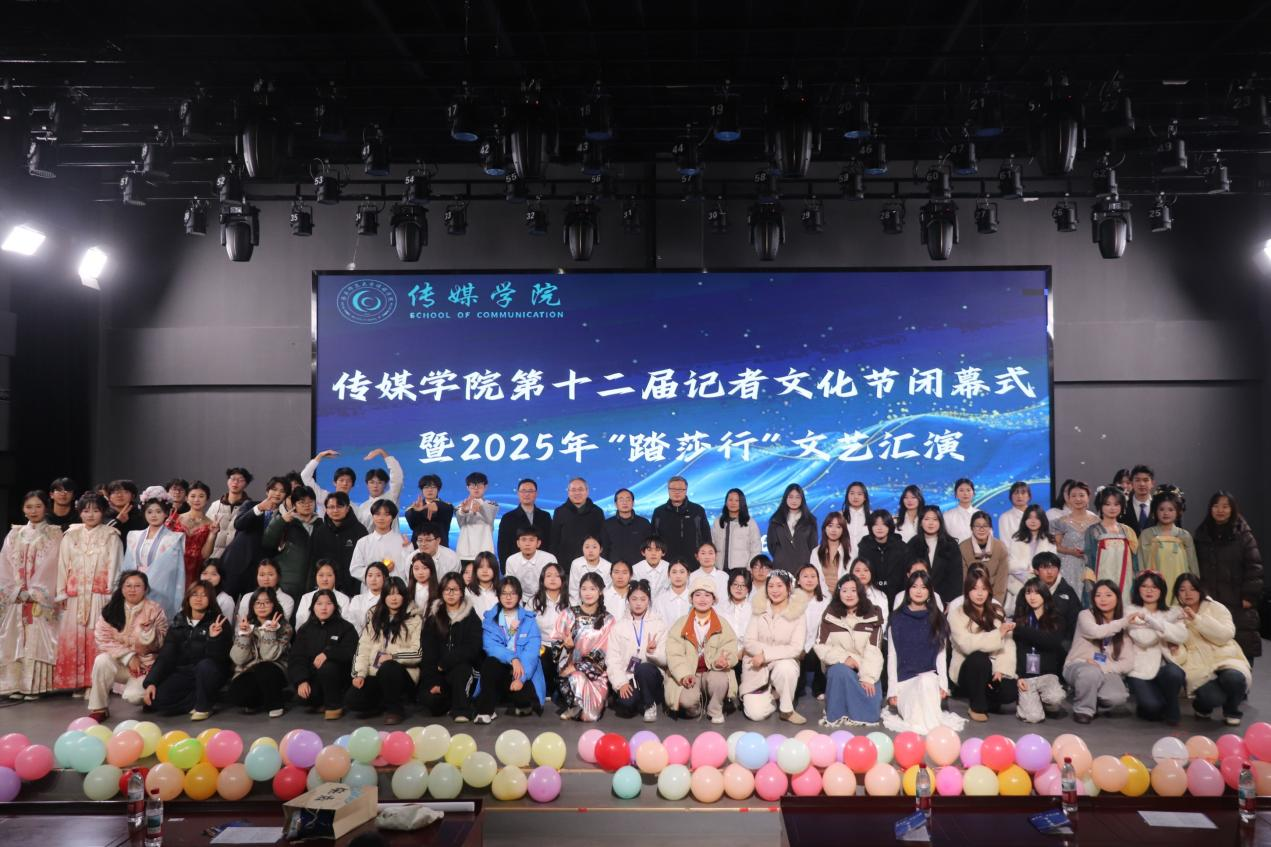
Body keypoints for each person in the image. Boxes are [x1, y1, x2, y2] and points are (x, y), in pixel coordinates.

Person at [54, 493, 123, 694]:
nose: (90, 515)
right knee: (75, 637)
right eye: (85, 510)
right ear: (80, 513)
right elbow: (63, 565)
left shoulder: (111, 536)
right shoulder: (70, 535)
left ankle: (97, 683)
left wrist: (112, 595)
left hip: (99, 594)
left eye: (96, 510)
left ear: (103, 512)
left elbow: (116, 566)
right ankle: (77, 681)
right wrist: (61, 592)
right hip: (75, 595)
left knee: (97, 636)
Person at [884, 571, 964, 734]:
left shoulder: (938, 619)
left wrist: (943, 684)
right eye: (914, 586)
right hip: (905, 684)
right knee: (917, 715)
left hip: (930, 683)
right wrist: (892, 690)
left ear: (930, 591)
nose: (919, 591)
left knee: (926, 679)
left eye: (923, 587)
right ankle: (933, 734)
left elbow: (941, 656)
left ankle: (933, 735)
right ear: (908, 590)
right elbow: (892, 656)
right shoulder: (897, 618)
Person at [141, 580, 231, 720]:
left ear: (211, 599)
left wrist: (213, 638)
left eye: (204, 595)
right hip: (186, 672)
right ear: (188, 598)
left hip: (211, 672)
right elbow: (166, 656)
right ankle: (202, 699)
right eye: (194, 594)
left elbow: (221, 657)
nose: (198, 598)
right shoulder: (179, 621)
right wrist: (151, 682)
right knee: (158, 699)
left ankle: (204, 706)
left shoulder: (219, 622)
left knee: (205, 666)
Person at [86, 570, 168, 720]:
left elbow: (162, 643)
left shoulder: (155, 610)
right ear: (122, 588)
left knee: (134, 696)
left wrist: (150, 633)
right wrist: (128, 656)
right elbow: (102, 638)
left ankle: (149, 699)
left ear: (145, 589)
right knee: (102, 661)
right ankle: (99, 708)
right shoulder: (111, 609)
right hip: (121, 663)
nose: (132, 590)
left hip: (145, 666)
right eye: (128, 586)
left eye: (137, 586)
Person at [1193, 491, 1263, 662]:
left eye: (1225, 506)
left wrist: (1249, 596)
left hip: (1237, 599)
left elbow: (1254, 567)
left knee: (1242, 646)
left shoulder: (1244, 535)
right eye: (1216, 506)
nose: (1220, 510)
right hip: (1210, 599)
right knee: (1213, 648)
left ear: (1232, 509)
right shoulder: (1202, 534)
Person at [1174, 573, 1251, 726]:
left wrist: (1197, 619)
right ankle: (1201, 706)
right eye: (1182, 590)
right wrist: (1175, 650)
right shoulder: (1174, 614)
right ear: (1177, 593)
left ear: (1200, 590)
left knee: (1234, 678)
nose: (1188, 593)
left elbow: (1225, 635)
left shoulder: (1216, 607)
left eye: (1192, 589)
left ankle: (1232, 710)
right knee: (1211, 698)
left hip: (1225, 657)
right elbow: (1177, 645)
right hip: (1198, 664)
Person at [346, 577, 422, 724]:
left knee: (389, 668)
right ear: (384, 596)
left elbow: (417, 652)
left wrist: (393, 656)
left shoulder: (415, 618)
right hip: (375, 672)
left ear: (404, 596)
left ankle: (395, 710)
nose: (393, 598)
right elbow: (363, 648)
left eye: (397, 594)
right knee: (353, 700)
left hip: (403, 673)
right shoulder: (374, 617)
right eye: (389, 594)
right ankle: (381, 703)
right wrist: (359, 674)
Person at [664, 575, 737, 724]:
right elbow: (674, 654)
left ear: (714, 599)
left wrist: (723, 661)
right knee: (687, 701)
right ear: (691, 599)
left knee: (720, 680)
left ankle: (715, 709)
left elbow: (729, 646)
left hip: (713, 671)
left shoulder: (722, 623)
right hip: (690, 673)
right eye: (697, 595)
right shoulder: (680, 624)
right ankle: (697, 708)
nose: (702, 599)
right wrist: (684, 675)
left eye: (707, 595)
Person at [1063, 579, 1138, 725]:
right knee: (1090, 672)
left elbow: (1128, 662)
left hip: (1105, 669)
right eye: (1098, 595)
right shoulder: (1086, 615)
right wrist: (1123, 622)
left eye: (1108, 595)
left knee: (1118, 697)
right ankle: (1083, 710)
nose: (1103, 599)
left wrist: (1103, 666)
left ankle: (1087, 694)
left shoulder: (1123, 624)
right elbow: (1096, 632)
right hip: (1078, 664)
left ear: (1117, 597)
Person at [815, 574, 884, 728]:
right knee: (839, 671)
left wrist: (868, 677)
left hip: (865, 667)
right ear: (838, 593)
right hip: (839, 664)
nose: (849, 594)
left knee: (871, 712)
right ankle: (838, 714)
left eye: (853, 590)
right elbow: (820, 646)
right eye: (844, 590)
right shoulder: (830, 615)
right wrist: (844, 658)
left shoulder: (873, 615)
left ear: (860, 592)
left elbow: (874, 650)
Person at [949, 567, 1017, 722]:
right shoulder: (957, 614)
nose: (979, 594)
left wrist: (1000, 669)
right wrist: (997, 634)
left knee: (1010, 691)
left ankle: (987, 699)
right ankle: (977, 706)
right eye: (975, 589)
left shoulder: (997, 612)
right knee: (979, 658)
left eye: (984, 589)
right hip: (968, 670)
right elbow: (966, 645)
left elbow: (1008, 644)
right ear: (967, 591)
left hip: (992, 668)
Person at [475, 576, 545, 723]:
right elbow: (491, 646)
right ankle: (485, 711)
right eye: (504, 593)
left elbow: (531, 653)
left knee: (523, 700)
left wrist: (520, 679)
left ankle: (521, 703)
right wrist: (512, 658)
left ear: (519, 596)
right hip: (501, 666)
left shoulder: (529, 620)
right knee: (490, 663)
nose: (508, 597)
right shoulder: (490, 619)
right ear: (498, 595)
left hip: (523, 670)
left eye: (512, 593)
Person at [741, 568, 807, 724]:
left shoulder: (798, 613)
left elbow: (796, 648)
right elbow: (749, 641)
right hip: (756, 665)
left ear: (788, 588)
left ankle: (787, 710)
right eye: (770, 586)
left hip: (781, 662)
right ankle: (774, 696)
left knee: (786, 668)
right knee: (756, 714)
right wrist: (764, 655)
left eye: (779, 586)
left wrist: (766, 655)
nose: (775, 590)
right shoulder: (758, 609)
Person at [419, 573, 483, 721]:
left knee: (462, 670)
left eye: (455, 589)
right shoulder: (433, 619)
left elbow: (473, 648)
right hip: (438, 673)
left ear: (462, 592)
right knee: (431, 702)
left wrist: (446, 662)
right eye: (447, 589)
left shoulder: (471, 617)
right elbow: (428, 653)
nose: (451, 593)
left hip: (464, 669)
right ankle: (451, 699)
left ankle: (462, 710)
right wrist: (434, 681)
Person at [1125, 571, 1187, 725]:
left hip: (1165, 665)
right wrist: (1168, 624)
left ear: (1162, 590)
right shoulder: (1130, 610)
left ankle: (1172, 704)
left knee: (1174, 673)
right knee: (1152, 708)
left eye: (1154, 587)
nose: (1149, 590)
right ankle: (1151, 703)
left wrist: (1150, 623)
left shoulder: (1172, 611)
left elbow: (1181, 636)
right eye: (1144, 586)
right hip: (1140, 668)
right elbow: (1144, 639)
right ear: (1138, 589)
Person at [289, 588, 358, 719]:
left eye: (328, 603)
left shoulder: (346, 627)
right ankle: (321, 702)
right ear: (313, 607)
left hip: (340, 677)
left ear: (335, 606)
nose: (324, 608)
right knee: (302, 699)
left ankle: (334, 706)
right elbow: (297, 657)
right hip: (313, 676)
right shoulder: (305, 629)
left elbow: (351, 651)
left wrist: (328, 654)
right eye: (319, 604)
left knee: (328, 666)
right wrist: (302, 680)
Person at [607, 578, 667, 721]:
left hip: (651, 677)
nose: (638, 603)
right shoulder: (618, 627)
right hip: (628, 677)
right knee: (626, 704)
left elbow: (665, 659)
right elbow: (612, 659)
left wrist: (652, 653)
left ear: (649, 601)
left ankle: (649, 704)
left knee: (643, 668)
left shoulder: (659, 624)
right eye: (634, 599)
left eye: (643, 599)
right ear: (628, 600)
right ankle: (639, 701)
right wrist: (621, 683)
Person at [558, 572, 615, 721]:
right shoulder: (568, 614)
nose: (588, 593)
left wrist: (580, 666)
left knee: (589, 717)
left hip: (596, 672)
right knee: (575, 677)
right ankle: (573, 706)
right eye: (584, 589)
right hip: (571, 668)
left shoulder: (608, 619)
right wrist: (567, 647)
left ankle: (592, 703)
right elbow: (556, 643)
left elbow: (606, 650)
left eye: (592, 589)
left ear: (600, 591)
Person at [227, 587, 292, 717]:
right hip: (249, 669)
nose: (262, 606)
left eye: (267, 602)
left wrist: (270, 632)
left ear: (274, 604)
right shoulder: (246, 624)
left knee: (264, 668)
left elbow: (269, 656)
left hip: (274, 669)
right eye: (257, 602)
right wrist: (245, 635)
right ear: (252, 606)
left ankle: (275, 704)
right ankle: (258, 701)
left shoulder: (284, 627)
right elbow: (238, 659)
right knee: (237, 694)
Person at [1012, 576, 1069, 723]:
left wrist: (1022, 630)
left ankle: (1046, 704)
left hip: (1047, 674)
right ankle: (1026, 702)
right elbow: (1016, 650)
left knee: (1055, 697)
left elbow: (1051, 642)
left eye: (1036, 592)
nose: (1032, 597)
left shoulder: (1056, 618)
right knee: (1034, 717)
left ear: (1044, 594)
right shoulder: (1020, 618)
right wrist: (1019, 676)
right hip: (1027, 675)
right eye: (1028, 593)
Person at [121, 496, 186, 620]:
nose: (153, 515)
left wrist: (148, 583)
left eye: (158, 511)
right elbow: (127, 565)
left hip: (160, 587)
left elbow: (174, 571)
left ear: (166, 513)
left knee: (154, 620)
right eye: (149, 512)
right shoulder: (134, 536)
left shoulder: (173, 539)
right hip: (135, 586)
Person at [221, 477, 287, 597]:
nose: (277, 493)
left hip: (258, 571)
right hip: (235, 563)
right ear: (267, 491)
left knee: (251, 604)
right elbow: (239, 524)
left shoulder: (284, 517)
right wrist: (259, 508)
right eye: (274, 489)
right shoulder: (250, 505)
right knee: (226, 602)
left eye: (282, 491)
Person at [261, 485, 318, 602]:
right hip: (288, 582)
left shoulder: (321, 525)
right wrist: (281, 521)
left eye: (310, 502)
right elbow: (268, 543)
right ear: (294, 504)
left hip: (313, 583)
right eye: (302, 502)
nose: (307, 505)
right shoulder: (286, 523)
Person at [1138, 491, 1198, 602]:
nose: (1166, 513)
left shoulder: (1184, 535)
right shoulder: (1147, 535)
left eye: (1171, 510)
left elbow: (1192, 564)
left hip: (1180, 582)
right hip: (1155, 584)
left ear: (1178, 512)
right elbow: (1142, 562)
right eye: (1161, 509)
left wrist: (1195, 585)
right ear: (1155, 511)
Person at [1084, 487, 1139, 607]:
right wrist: (1091, 586)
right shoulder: (1093, 531)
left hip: (1126, 580)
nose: (1112, 508)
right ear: (1100, 506)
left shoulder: (1128, 531)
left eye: (1116, 504)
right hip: (1102, 578)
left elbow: (1135, 561)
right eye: (1107, 504)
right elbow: (1089, 561)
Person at [309, 491, 369, 598]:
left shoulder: (360, 531)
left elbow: (365, 561)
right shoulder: (319, 532)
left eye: (339, 506)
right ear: (326, 509)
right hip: (326, 589)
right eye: (331, 507)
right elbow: (313, 561)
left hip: (354, 590)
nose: (335, 510)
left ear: (347, 508)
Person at [530, 563, 570, 706]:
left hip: (565, 645)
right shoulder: (534, 601)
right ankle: (545, 690)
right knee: (542, 657)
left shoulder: (571, 601)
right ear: (542, 579)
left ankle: (562, 691)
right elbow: (528, 626)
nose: (553, 579)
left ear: (563, 579)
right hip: (542, 644)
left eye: (557, 576)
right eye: (548, 576)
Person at [350, 499, 412, 589]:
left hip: (396, 591)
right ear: (372, 516)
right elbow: (355, 569)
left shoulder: (403, 541)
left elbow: (410, 569)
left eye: (386, 514)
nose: (381, 518)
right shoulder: (363, 542)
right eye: (377, 514)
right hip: (370, 591)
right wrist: (379, 572)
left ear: (393, 517)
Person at [651, 476, 711, 571]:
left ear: (686, 490)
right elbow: (653, 539)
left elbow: (706, 538)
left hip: (694, 563)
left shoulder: (697, 511)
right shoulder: (659, 512)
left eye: (680, 489)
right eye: (673, 489)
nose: (677, 492)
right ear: (668, 490)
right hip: (666, 563)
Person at [907, 505, 962, 605]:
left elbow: (956, 578)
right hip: (917, 600)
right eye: (927, 519)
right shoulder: (912, 544)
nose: (931, 523)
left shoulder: (951, 545)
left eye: (935, 519)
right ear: (920, 522)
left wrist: (951, 602)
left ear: (940, 522)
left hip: (944, 600)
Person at [1006, 506, 1056, 614]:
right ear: (1025, 520)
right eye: (1029, 517)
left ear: (1042, 520)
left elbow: (1052, 563)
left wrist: (1038, 576)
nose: (1033, 521)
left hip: (1043, 583)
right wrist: (1027, 575)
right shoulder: (1016, 539)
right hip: (1018, 583)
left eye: (1037, 518)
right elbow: (1011, 563)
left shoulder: (1049, 539)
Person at [1051, 481, 1097, 598]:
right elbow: (1056, 546)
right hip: (1068, 566)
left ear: (1088, 497)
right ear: (1068, 498)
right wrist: (1071, 551)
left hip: (1091, 565)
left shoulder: (1097, 521)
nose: (1078, 499)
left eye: (1081, 495)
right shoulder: (1060, 522)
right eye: (1074, 496)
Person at [170, 481, 218, 586]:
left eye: (201, 496)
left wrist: (212, 534)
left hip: (195, 570)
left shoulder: (211, 524)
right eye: (193, 496)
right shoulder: (175, 519)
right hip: (173, 567)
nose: (196, 500)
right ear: (186, 498)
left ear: (207, 499)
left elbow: (205, 555)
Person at [856, 510, 909, 603]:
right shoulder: (864, 547)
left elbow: (905, 574)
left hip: (897, 594)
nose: (879, 528)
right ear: (870, 527)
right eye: (875, 524)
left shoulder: (901, 547)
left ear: (890, 526)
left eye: (884, 524)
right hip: (872, 594)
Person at [550, 477, 605, 568]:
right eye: (573, 490)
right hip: (565, 566)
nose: (577, 493)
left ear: (587, 491)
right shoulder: (560, 512)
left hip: (592, 565)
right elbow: (554, 541)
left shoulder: (597, 512)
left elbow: (603, 540)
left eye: (580, 489)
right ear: (568, 492)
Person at [498, 479, 553, 564]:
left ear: (536, 494)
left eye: (530, 491)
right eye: (523, 491)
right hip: (517, 565)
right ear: (518, 493)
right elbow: (503, 547)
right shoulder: (508, 518)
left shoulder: (545, 516)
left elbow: (550, 543)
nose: (527, 494)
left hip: (541, 564)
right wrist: (506, 568)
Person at [959, 511, 1009, 605]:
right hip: (970, 597)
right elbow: (964, 580)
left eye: (985, 526)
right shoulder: (963, 547)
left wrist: (995, 604)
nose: (981, 529)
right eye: (977, 526)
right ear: (971, 528)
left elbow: (1001, 580)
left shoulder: (1000, 547)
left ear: (990, 528)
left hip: (994, 596)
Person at [766, 484, 818, 574]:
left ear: (802, 499)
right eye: (791, 497)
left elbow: (813, 546)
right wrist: (781, 556)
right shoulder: (776, 520)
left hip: (803, 567)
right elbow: (771, 545)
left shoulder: (810, 521)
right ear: (785, 498)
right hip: (781, 567)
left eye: (797, 497)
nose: (794, 501)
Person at [795, 564, 829, 700]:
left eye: (813, 576)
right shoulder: (791, 600)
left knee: (818, 652)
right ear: (798, 580)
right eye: (805, 576)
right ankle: (798, 688)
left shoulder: (825, 601)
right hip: (796, 642)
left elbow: (826, 627)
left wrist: (810, 645)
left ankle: (819, 687)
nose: (809, 580)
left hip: (817, 641)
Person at [1034, 552, 1080, 647]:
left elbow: (1076, 621)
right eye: (1045, 567)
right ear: (1036, 571)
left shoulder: (1068, 591)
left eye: (1053, 567)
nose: (1050, 572)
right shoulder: (1029, 591)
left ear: (1058, 570)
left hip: (1062, 644)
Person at [206, 468, 253, 560]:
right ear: (228, 481)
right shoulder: (215, 505)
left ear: (246, 484)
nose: (235, 482)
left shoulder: (250, 508)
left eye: (240, 480)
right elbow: (205, 530)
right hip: (212, 557)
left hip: (236, 558)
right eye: (233, 478)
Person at [712, 488, 762, 573]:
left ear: (742, 502)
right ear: (726, 502)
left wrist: (749, 569)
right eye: (730, 500)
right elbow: (712, 545)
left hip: (742, 571)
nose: (733, 503)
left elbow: (756, 549)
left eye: (737, 500)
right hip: (720, 570)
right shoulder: (718, 521)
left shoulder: (750, 522)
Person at [602, 488, 653, 569]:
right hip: (615, 570)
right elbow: (604, 550)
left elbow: (649, 548)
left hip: (639, 569)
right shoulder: (607, 524)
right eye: (621, 499)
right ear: (615, 504)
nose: (624, 502)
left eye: (628, 499)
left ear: (633, 503)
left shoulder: (644, 523)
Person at [296, 560, 353, 629]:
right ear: (315, 576)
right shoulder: (306, 598)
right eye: (321, 575)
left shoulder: (343, 599)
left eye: (329, 575)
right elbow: (300, 625)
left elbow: (345, 625)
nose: (325, 579)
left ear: (335, 577)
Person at [455, 471, 497, 564]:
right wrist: (465, 511)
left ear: (486, 487)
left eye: (479, 486)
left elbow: (490, 518)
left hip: (486, 552)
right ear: (467, 487)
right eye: (472, 486)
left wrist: (480, 507)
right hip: (464, 552)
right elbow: (460, 523)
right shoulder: (460, 506)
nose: (476, 489)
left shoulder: (492, 505)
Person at [404, 473, 455, 543]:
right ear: (421, 490)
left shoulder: (447, 506)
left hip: (440, 546)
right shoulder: (413, 508)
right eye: (426, 487)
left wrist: (436, 505)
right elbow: (412, 525)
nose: (430, 490)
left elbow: (446, 509)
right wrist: (416, 511)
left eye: (433, 487)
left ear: (438, 489)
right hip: (419, 546)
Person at [720, 569, 754, 663]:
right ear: (729, 585)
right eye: (735, 584)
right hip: (723, 655)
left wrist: (744, 652)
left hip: (747, 656)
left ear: (749, 588)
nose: (739, 588)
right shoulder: (719, 609)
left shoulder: (754, 610)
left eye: (743, 585)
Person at [812, 512, 849, 593]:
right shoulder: (816, 552)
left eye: (838, 527)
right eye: (830, 526)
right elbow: (814, 578)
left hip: (844, 596)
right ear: (825, 528)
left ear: (843, 530)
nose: (833, 530)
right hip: (822, 595)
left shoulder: (849, 552)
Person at [104, 480, 147, 548]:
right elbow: (101, 534)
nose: (119, 495)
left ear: (133, 496)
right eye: (114, 492)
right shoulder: (103, 514)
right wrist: (118, 521)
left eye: (125, 492)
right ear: (109, 497)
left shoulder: (141, 514)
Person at [346, 562, 387, 631]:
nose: (373, 579)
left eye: (378, 575)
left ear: (385, 578)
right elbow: (352, 622)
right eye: (370, 575)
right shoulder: (357, 600)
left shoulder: (388, 599)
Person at [850, 558, 890, 624]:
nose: (862, 573)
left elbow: (884, 622)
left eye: (866, 570)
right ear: (851, 573)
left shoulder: (881, 596)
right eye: (858, 570)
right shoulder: (846, 594)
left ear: (871, 573)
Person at [653, 560, 692, 625]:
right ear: (668, 575)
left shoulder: (694, 599)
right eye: (674, 572)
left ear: (688, 574)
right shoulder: (659, 601)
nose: (678, 576)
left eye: (682, 572)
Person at [1121, 464, 1157, 533]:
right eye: (1137, 480)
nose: (1142, 484)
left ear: (1152, 483)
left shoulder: (1158, 507)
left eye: (1146, 480)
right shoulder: (1123, 507)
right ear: (1132, 483)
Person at [943, 478, 978, 543]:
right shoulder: (946, 516)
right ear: (956, 494)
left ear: (973, 493)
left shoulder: (980, 515)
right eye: (961, 490)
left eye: (968, 490)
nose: (965, 493)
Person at [840, 481, 871, 553]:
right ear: (847, 496)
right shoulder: (840, 516)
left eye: (859, 494)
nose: (855, 497)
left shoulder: (872, 516)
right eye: (852, 493)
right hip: (843, 556)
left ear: (865, 497)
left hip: (867, 557)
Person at [468, 553, 500, 618]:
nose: (485, 571)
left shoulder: (502, 591)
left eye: (489, 567)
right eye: (481, 567)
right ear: (475, 570)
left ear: (495, 569)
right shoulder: (467, 592)